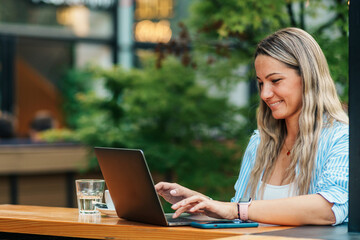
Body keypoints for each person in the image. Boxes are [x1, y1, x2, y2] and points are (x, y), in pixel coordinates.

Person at [155, 27, 348, 226]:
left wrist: (235, 209)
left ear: (308, 78)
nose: (265, 94)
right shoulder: (260, 142)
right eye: (260, 83)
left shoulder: (341, 138)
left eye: (275, 80)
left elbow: (330, 209)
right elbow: (240, 214)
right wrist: (200, 206)